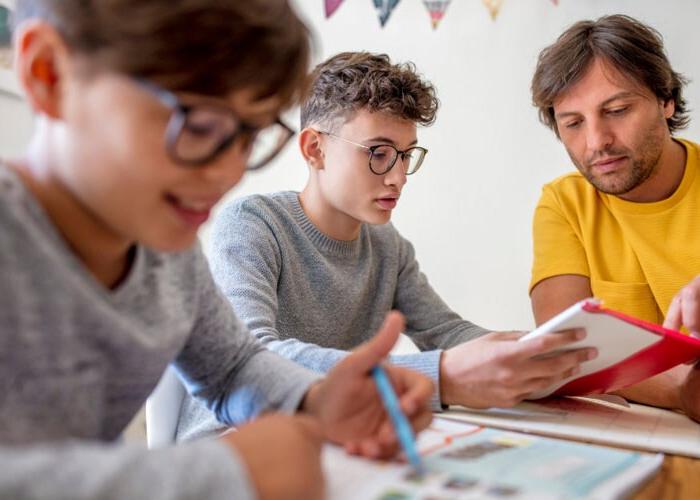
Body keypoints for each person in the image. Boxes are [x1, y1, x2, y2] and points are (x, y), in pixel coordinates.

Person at [0, 2, 436, 499]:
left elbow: (232, 368)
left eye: (249, 135)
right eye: (200, 124)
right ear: (50, 75)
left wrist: (315, 399)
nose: (228, 173)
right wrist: (225, 473)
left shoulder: (165, 248)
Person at [176, 51, 595, 441]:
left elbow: (444, 332)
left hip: (331, 437)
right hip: (234, 442)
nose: (397, 177)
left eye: (406, 155)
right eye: (378, 153)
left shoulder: (387, 246)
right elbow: (255, 353)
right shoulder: (253, 224)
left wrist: (534, 354)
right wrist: (438, 375)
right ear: (314, 149)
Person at [529, 14, 700, 421]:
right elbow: (565, 352)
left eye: (618, 110)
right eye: (573, 123)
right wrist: (683, 390)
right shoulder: (563, 204)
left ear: (666, 100)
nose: (597, 142)